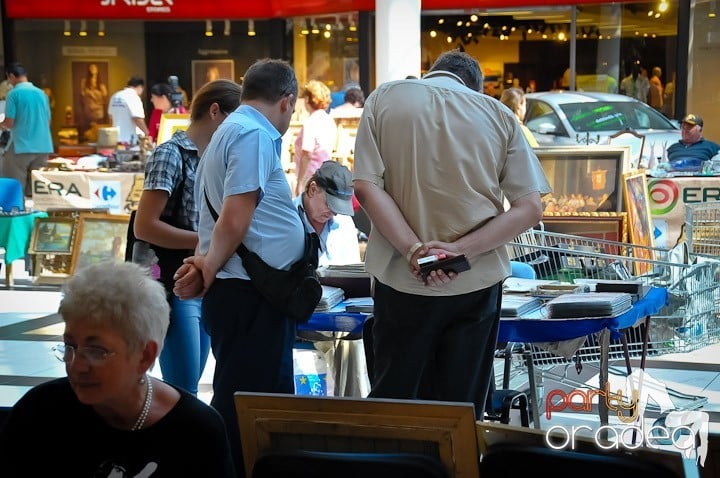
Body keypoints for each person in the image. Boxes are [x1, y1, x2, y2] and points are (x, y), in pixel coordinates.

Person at [353, 50, 550, 417]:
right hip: (473, 285)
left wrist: (414, 250)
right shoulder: (499, 115)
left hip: (400, 282)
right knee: (461, 407)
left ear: (431, 73)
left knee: (395, 400)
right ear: (474, 86)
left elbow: (365, 187)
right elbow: (530, 207)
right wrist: (461, 251)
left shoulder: (383, 99)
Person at [172, 58, 302, 477]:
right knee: (250, 407)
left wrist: (208, 264)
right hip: (249, 292)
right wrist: (208, 266)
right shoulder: (251, 134)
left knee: (245, 398)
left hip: (246, 289)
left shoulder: (233, 131)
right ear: (286, 101)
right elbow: (235, 216)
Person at [0, 262, 235, 477]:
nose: (76, 365)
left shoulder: (196, 432)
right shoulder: (41, 412)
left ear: (145, 356)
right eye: (70, 346)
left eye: (96, 350)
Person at [133, 79, 242, 397]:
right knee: (184, 387)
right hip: (173, 280)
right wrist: (205, 240)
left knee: (189, 382)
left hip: (205, 277)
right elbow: (145, 226)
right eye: (236, 121)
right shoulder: (171, 153)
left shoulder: (218, 157)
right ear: (215, 112)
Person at [0, 63, 53, 197]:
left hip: (22, 146)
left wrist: (1, 125)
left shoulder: (13, 94)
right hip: (43, 146)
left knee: (14, 187)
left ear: (11, 76)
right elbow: (48, 121)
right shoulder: (42, 94)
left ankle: (18, 215)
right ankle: (37, 216)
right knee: (37, 188)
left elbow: (9, 123)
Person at [295, 160, 360, 267]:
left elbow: (353, 269)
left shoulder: (344, 222)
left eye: (339, 209)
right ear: (313, 189)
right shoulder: (287, 217)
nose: (334, 213)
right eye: (330, 204)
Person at [293, 79, 337, 196]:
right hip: (325, 174)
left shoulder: (311, 122)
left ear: (307, 99)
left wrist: (300, 183)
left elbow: (307, 153)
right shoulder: (329, 120)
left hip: (310, 176)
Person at [108, 75, 149, 143]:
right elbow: (137, 118)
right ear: (140, 87)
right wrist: (147, 133)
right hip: (130, 140)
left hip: (115, 139)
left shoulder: (115, 96)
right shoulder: (134, 97)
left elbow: (110, 116)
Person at [79, 63, 108, 138]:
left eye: (94, 68)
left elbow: (104, 99)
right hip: (88, 111)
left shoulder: (101, 86)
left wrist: (96, 98)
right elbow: (82, 96)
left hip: (98, 112)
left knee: (97, 132)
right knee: (88, 133)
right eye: (91, 68)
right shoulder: (84, 83)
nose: (93, 70)